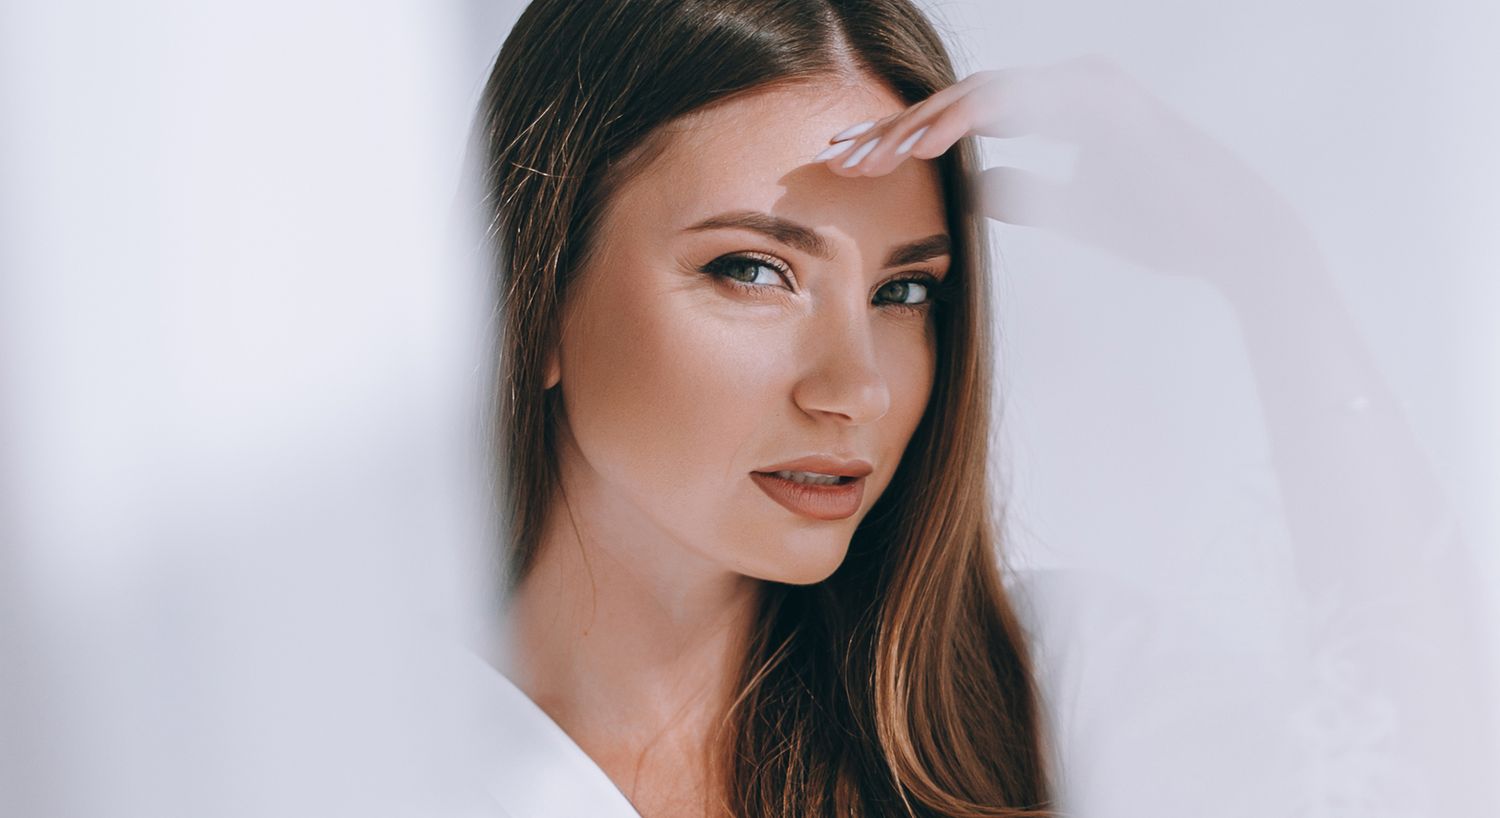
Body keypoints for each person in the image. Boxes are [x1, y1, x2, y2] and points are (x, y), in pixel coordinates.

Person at [468, 1, 1052, 816]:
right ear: (529, 293)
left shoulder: (1056, 708)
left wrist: (1258, 270)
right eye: (751, 270)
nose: (858, 391)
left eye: (904, 290)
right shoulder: (319, 760)